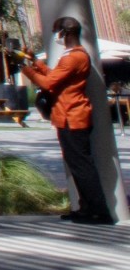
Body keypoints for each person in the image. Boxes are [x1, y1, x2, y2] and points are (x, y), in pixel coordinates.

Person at [16, 17, 112, 224]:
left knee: (82, 166)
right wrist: (35, 62)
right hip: (68, 117)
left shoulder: (73, 57)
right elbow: (55, 76)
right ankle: (86, 208)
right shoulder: (73, 56)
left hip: (73, 117)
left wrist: (25, 69)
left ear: (65, 33)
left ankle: (99, 210)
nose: (55, 36)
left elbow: (49, 83)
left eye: (56, 31)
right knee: (77, 165)